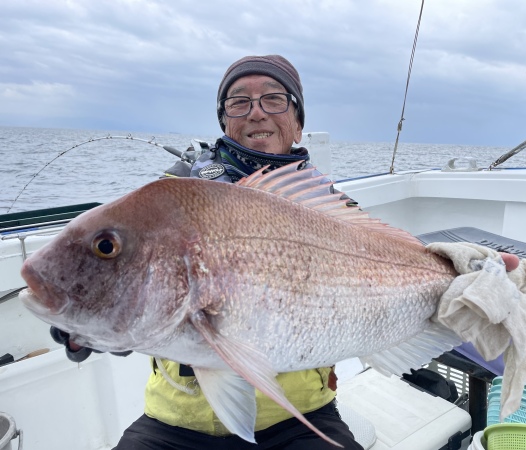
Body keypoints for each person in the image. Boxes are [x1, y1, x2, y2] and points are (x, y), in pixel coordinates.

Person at [52, 54, 364, 450]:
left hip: (299, 418)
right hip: (175, 424)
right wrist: (85, 324)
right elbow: (139, 302)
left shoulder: (333, 212)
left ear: (299, 123)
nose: (256, 113)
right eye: (239, 102)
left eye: (274, 99)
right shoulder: (169, 199)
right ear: (224, 122)